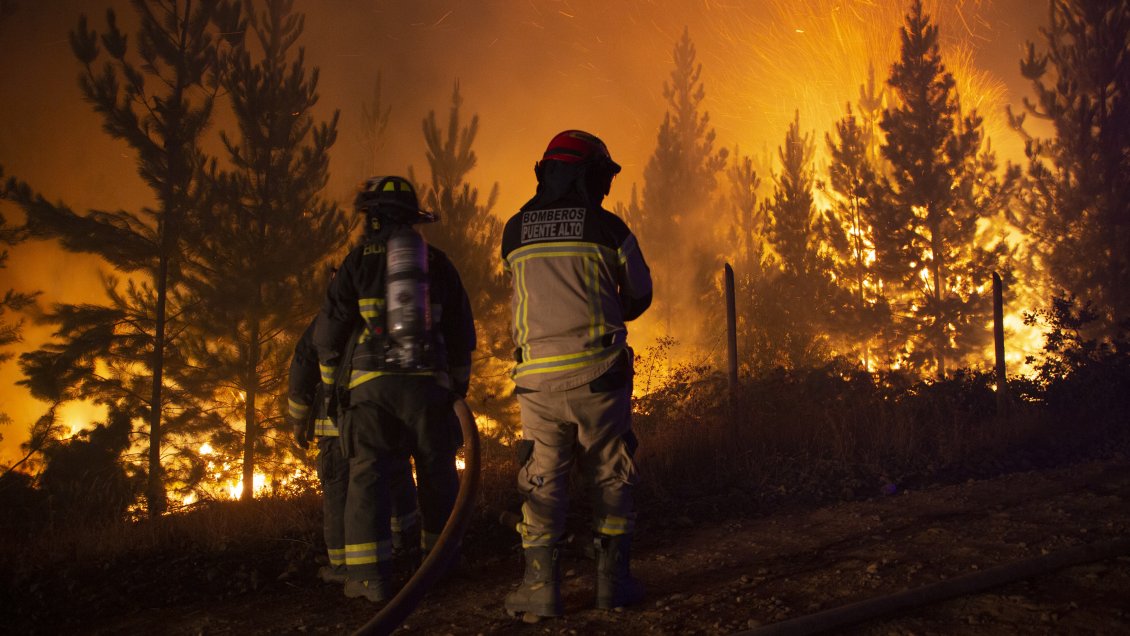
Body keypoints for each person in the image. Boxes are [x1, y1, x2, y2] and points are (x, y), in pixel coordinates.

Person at [500, 130, 653, 619]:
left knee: (542, 477)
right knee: (611, 473)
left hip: (537, 382)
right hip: (598, 376)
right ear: (590, 177)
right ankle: (613, 584)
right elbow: (640, 294)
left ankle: (540, 588)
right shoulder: (609, 229)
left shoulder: (514, 230)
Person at [314, 175, 476, 603]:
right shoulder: (438, 263)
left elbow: (328, 337)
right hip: (429, 388)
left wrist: (333, 393)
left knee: (367, 475)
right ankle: (439, 565)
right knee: (437, 473)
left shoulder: (357, 261)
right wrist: (455, 389)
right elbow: (461, 334)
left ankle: (370, 578)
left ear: (372, 218)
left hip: (371, 392)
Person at [285, 315, 419, 585]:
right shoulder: (399, 308)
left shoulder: (333, 315)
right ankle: (406, 548)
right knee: (395, 477)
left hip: (338, 426)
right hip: (390, 417)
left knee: (340, 493)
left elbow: (304, 359)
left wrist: (298, 417)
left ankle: (344, 566)